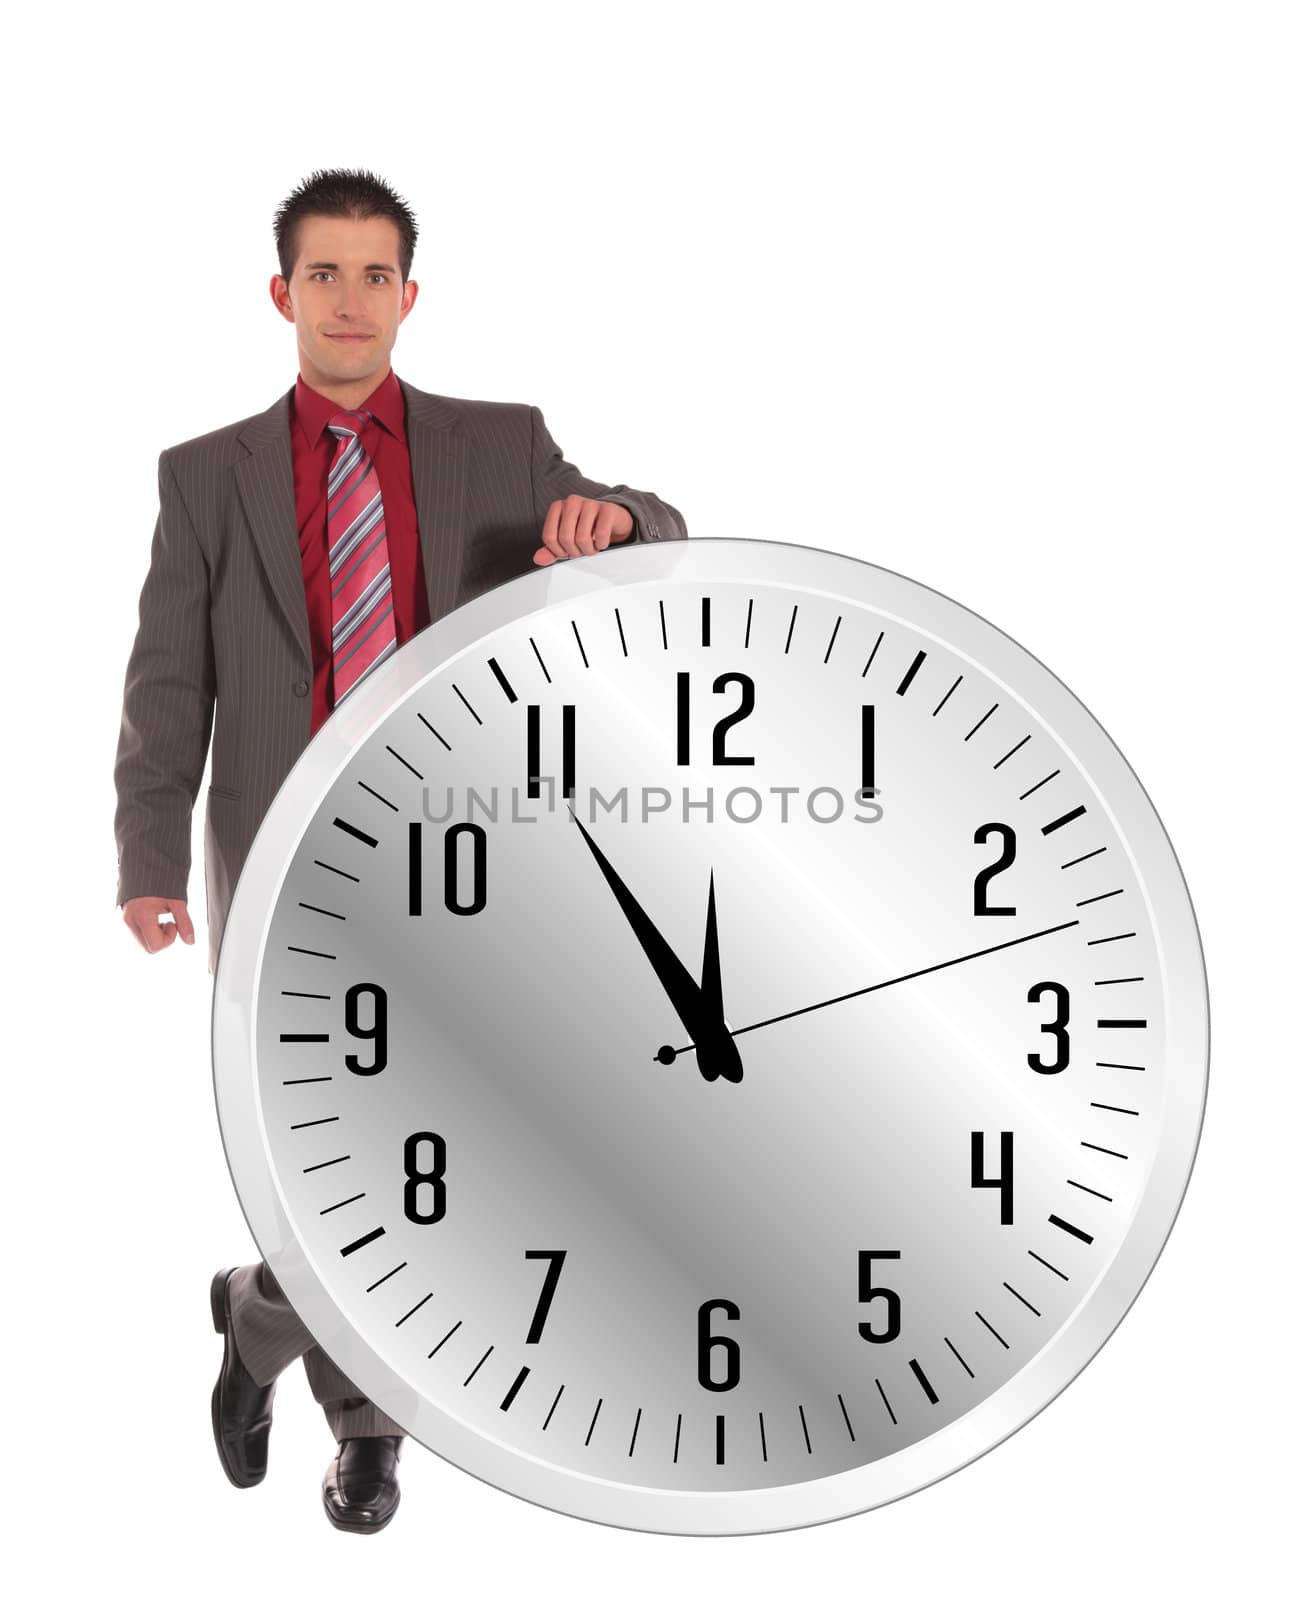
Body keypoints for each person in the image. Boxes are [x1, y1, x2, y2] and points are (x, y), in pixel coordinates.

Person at [112, 168, 688, 1535]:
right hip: (284, 856)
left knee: (445, 1166)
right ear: (282, 295)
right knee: (336, 1157)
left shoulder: (500, 443)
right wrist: (146, 854)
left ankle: (260, 1322)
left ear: (408, 295)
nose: (352, 300)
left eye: (377, 275)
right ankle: (368, 1435)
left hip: (469, 858)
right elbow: (166, 679)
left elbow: (654, 535)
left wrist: (614, 522)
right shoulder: (208, 477)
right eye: (325, 274)